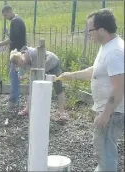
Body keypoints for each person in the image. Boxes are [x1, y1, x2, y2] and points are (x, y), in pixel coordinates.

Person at [59, 9, 124, 172]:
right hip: (109, 110)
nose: (88, 34)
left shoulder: (115, 52)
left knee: (106, 151)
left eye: (90, 30)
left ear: (102, 30)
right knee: (104, 150)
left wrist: (106, 113)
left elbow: (119, 86)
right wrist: (71, 75)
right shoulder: (107, 47)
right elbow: (96, 71)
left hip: (112, 112)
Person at [10, 46, 69, 121]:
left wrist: (28, 76)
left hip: (51, 62)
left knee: (58, 87)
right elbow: (23, 73)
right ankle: (27, 109)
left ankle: (62, 112)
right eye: (20, 65)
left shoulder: (33, 54)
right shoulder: (21, 60)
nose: (22, 64)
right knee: (33, 86)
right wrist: (21, 76)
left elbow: (38, 71)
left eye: (22, 62)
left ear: (21, 56)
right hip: (41, 68)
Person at [0, 5, 26, 109]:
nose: (5, 17)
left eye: (5, 15)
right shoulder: (17, 20)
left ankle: (14, 99)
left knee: (14, 76)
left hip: (17, 54)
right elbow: (13, 38)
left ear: (10, 11)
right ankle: (13, 96)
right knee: (13, 75)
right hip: (17, 52)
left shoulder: (15, 22)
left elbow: (11, 40)